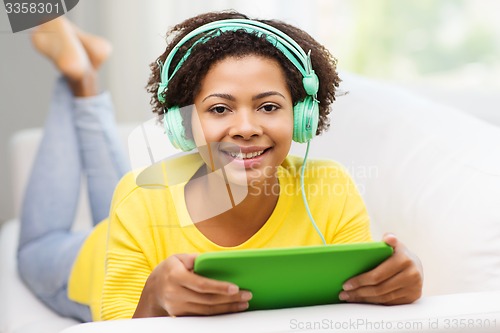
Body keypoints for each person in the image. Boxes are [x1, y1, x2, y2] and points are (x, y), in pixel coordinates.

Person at [18, 11, 423, 323]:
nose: (246, 128)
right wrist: (154, 297)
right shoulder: (139, 197)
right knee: (37, 246)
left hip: (135, 221)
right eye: (219, 108)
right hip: (82, 262)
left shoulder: (328, 185)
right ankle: (79, 78)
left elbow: (358, 295)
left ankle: (83, 71)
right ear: (182, 124)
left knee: (126, 193)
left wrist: (404, 276)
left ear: (301, 118)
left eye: (268, 106)